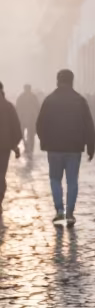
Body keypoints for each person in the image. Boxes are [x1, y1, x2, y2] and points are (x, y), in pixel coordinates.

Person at [36, 69, 95, 226]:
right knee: (72, 181)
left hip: (54, 148)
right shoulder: (79, 100)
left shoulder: (49, 100)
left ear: (57, 81)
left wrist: (45, 141)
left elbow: (40, 124)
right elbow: (89, 125)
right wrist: (91, 146)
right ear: (72, 81)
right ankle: (70, 213)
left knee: (55, 179)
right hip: (74, 148)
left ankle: (59, 211)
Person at [0, 84, 22, 213]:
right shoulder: (8, 107)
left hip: (4, 146)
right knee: (1, 174)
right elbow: (16, 128)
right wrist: (14, 145)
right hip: (4, 147)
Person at [16, 84, 39, 157]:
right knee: (29, 135)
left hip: (26, 119)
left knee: (28, 135)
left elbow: (17, 107)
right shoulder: (33, 97)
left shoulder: (21, 97)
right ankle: (29, 148)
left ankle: (28, 147)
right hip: (28, 119)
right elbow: (37, 108)